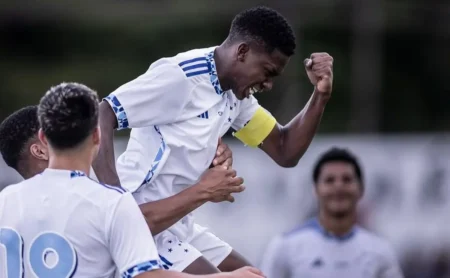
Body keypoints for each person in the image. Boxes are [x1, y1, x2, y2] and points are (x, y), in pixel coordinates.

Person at [93, 5, 334, 274]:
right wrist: (114, 201)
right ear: (242, 52)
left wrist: (320, 96)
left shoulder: (236, 95)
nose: (268, 84)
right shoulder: (181, 77)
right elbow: (103, 112)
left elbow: (285, 149)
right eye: (267, 71)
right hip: (144, 221)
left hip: (179, 224)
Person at [0, 83, 264, 278]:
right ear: (97, 136)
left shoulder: (6, 202)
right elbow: (145, 271)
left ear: (46, 139)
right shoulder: (105, 201)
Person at [0, 106, 242, 237]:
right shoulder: (74, 201)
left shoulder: (9, 206)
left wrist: (203, 156)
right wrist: (202, 190)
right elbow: (138, 224)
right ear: (40, 150)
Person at [259, 147, 404, 278]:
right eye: (329, 180)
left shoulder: (380, 250)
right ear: (315, 190)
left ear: (361, 189)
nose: (339, 186)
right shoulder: (285, 246)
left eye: (347, 179)